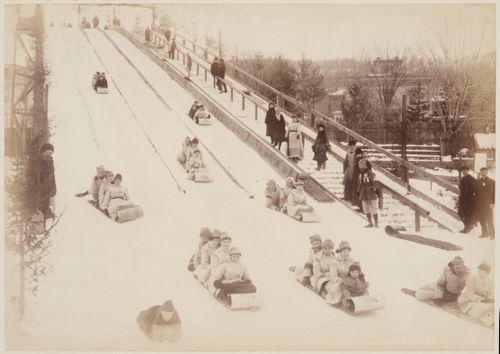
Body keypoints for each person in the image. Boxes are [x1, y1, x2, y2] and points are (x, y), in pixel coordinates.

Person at [457, 261, 494, 326]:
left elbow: (491, 293)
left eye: (483, 272)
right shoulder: (472, 277)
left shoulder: (490, 281)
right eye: (479, 271)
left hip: (483, 301)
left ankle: (487, 321)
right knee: (480, 307)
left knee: (491, 306)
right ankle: (476, 318)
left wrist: (489, 299)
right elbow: (469, 293)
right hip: (469, 298)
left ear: (487, 273)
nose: (481, 273)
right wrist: (480, 300)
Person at [32, 143, 57, 219]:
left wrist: (53, 191)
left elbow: (52, 178)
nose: (48, 155)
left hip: (47, 194)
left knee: (44, 216)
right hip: (38, 194)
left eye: (50, 153)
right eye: (47, 153)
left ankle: (42, 229)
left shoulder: (50, 163)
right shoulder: (37, 163)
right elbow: (35, 179)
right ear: (42, 152)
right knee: (37, 216)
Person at [357, 158, 379, 227]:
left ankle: (376, 223)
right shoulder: (360, 175)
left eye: (362, 166)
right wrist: (358, 191)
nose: (361, 168)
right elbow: (359, 183)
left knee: (373, 207)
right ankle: (370, 222)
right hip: (363, 192)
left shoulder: (370, 172)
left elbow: (375, 181)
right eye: (360, 167)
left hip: (371, 191)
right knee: (365, 207)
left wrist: (377, 190)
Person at [475, 167, 495, 239]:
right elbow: (476, 192)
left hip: (488, 204)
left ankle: (492, 234)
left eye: (485, 172)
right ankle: (484, 233)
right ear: (480, 172)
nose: (483, 173)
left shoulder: (492, 182)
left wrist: (493, 203)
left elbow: (494, 194)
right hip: (479, 204)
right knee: (482, 219)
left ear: (487, 172)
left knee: (489, 219)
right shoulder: (477, 181)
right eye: (482, 172)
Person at [458, 166, 476, 233]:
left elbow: (474, 189)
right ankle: (469, 226)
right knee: (460, 213)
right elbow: (460, 188)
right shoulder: (462, 179)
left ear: (468, 171)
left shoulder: (472, 179)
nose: (464, 172)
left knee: (467, 214)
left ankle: (467, 228)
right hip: (463, 199)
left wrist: (467, 194)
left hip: (469, 200)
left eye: (465, 170)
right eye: (463, 170)